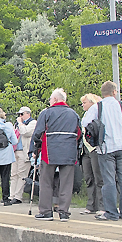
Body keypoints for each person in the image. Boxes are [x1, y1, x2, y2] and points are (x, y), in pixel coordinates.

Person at [81, 81, 122, 221]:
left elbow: (85, 123)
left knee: (108, 180)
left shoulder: (98, 107)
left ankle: (111, 212)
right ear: (114, 91)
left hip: (106, 147)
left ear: (102, 93)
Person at [34, 88, 81, 222]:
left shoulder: (46, 113)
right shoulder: (74, 114)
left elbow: (38, 133)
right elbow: (79, 134)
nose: (49, 101)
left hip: (50, 152)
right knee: (66, 183)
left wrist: (35, 149)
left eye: (50, 99)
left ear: (55, 99)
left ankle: (46, 212)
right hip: (69, 153)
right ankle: (64, 212)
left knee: (46, 181)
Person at [79, 93, 104, 215]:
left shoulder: (98, 114)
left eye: (85, 102)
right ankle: (91, 204)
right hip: (85, 149)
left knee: (98, 177)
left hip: (95, 148)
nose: (83, 105)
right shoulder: (85, 115)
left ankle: (101, 205)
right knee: (88, 177)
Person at [9, 106, 37, 204]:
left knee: (21, 174)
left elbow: (25, 132)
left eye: (22, 114)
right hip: (15, 151)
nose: (20, 117)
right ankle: (11, 195)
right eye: (19, 115)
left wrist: (20, 123)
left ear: (27, 114)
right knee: (13, 174)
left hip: (24, 152)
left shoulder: (33, 123)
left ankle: (18, 196)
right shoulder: (18, 124)